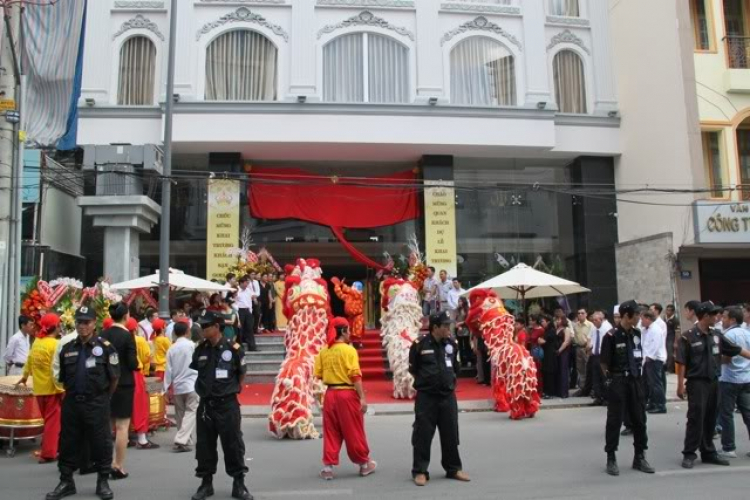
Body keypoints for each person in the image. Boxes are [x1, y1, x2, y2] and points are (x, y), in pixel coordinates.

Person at [46, 306, 118, 500]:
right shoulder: (68, 348)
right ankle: (66, 481)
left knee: (101, 442)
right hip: (72, 403)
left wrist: (102, 398)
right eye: (79, 322)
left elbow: (113, 379)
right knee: (68, 442)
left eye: (86, 322)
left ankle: (102, 481)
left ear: (94, 323)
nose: (82, 326)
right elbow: (61, 378)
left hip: (96, 402)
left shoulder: (105, 347)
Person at [189, 310, 252, 500]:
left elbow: (241, 374)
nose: (202, 329)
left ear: (217, 327)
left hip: (227, 404)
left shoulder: (233, 349)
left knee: (233, 445)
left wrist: (231, 390)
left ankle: (239, 484)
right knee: (204, 447)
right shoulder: (200, 349)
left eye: (206, 326)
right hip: (206, 406)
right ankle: (206, 484)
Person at [409, 312, 470, 487]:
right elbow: (413, 368)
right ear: (435, 327)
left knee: (451, 433)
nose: (448, 328)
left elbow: (456, 367)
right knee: (423, 434)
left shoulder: (452, 344)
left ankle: (453, 468)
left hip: (447, 396)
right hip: (427, 397)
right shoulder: (420, 344)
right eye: (445, 325)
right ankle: (420, 471)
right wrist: (428, 381)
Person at [314, 317, 377, 480]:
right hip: (347, 394)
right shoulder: (349, 350)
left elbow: (318, 375)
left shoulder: (324, 351)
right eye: (348, 330)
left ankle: (328, 468)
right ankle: (363, 464)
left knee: (331, 431)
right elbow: (355, 376)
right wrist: (362, 398)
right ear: (342, 331)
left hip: (330, 394)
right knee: (354, 430)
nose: (350, 333)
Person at [600, 300, 655, 476]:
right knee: (615, 420)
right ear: (626, 315)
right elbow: (603, 363)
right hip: (618, 381)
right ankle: (611, 457)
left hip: (635, 380)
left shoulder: (637, 333)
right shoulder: (611, 336)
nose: (640, 317)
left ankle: (640, 456)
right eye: (637, 314)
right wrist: (609, 381)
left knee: (639, 420)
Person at [676, 302, 732, 469]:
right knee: (696, 418)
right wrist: (680, 385)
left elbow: (734, 349)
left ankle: (708, 452)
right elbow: (681, 362)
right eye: (714, 314)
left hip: (713, 381)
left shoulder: (716, 335)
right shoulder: (688, 336)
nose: (717, 317)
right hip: (697, 382)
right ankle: (689, 453)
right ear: (705, 316)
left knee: (710, 417)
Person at [16, 313, 64, 464]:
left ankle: (53, 448)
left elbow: (29, 361)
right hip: (53, 389)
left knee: (49, 421)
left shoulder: (37, 342)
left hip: (39, 389)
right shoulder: (56, 345)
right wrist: (63, 389)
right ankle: (49, 453)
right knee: (52, 422)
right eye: (59, 324)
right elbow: (58, 369)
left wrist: (24, 377)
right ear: (55, 327)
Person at [99, 302, 139, 480]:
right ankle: (118, 465)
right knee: (122, 427)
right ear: (126, 316)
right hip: (124, 384)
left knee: (106, 425)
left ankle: (104, 462)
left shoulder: (102, 335)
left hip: (105, 384)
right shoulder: (127, 336)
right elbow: (132, 363)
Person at [717, 306, 750, 459]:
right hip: (746, 378)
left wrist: (715, 360)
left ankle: (729, 447)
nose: (721, 320)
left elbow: (728, 358)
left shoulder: (728, 335)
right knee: (748, 414)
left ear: (732, 320)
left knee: (726, 414)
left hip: (730, 379)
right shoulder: (746, 333)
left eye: (724, 317)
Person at [165, 321, 199, 453]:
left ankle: (185, 439)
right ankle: (181, 439)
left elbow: (168, 370)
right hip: (191, 383)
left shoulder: (171, 348)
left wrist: (166, 388)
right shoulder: (192, 346)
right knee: (191, 411)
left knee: (180, 414)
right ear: (187, 332)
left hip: (178, 385)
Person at [127, 317, 159, 451]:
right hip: (137, 373)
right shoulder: (139, 340)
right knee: (140, 406)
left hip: (122, 375)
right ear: (135, 329)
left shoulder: (113, 338)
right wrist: (148, 371)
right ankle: (142, 438)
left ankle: (125, 436)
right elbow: (147, 356)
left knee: (124, 408)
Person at [640, 311, 667, 414]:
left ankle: (660, 405)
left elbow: (655, 346)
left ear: (648, 318)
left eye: (642, 319)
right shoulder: (645, 330)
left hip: (654, 359)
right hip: (647, 359)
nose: (641, 321)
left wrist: (649, 357)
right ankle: (652, 403)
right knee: (649, 384)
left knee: (656, 383)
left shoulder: (655, 329)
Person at [586, 310, 611, 406]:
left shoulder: (607, 328)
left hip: (603, 355)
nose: (594, 322)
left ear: (602, 320)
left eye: (596, 320)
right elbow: (591, 338)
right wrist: (590, 347)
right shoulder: (593, 327)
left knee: (604, 377)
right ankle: (598, 397)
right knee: (595, 377)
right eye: (593, 320)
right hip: (595, 355)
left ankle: (607, 397)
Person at [572, 308, 594, 395]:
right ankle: (583, 388)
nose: (580, 315)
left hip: (587, 348)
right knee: (580, 369)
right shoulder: (576, 325)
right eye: (578, 313)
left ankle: (590, 388)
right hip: (578, 348)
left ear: (586, 314)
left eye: (582, 313)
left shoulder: (590, 325)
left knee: (588, 368)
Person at [540, 315, 559, 399]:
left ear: (548, 322)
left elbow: (546, 341)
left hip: (550, 354)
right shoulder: (546, 330)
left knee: (550, 373)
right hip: (546, 354)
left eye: (543, 321)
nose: (542, 323)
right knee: (545, 373)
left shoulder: (552, 330)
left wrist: (542, 341)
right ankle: (546, 391)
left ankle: (550, 392)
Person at [235, 276, 256, 351]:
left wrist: (251, 310)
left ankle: (252, 347)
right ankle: (239, 348)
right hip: (240, 310)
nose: (246, 285)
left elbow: (253, 297)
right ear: (240, 283)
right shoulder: (236, 290)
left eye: (247, 283)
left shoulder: (248, 290)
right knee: (240, 329)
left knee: (250, 329)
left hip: (248, 311)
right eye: (245, 283)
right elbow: (235, 301)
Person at [556, 316, 573, 398]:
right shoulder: (557, 329)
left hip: (564, 352)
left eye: (559, 319)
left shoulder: (567, 329)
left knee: (563, 371)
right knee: (559, 371)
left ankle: (564, 392)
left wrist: (559, 350)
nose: (557, 321)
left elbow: (566, 342)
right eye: (556, 319)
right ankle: (559, 391)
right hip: (557, 352)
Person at [454, 297, 473, 367]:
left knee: (467, 345)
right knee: (460, 346)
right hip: (458, 330)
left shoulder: (467, 309)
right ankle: (462, 361)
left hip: (466, 330)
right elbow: (455, 319)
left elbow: (468, 320)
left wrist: (461, 323)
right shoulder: (457, 310)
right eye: (458, 301)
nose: (459, 303)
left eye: (460, 301)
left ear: (464, 302)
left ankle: (469, 360)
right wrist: (457, 325)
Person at [664, 304, 680, 373]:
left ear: (673, 312)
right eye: (667, 310)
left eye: (669, 310)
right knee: (665, 353)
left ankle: (670, 369)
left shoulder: (675, 320)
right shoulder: (664, 318)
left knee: (670, 354)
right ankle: (666, 367)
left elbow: (677, 332)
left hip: (671, 338)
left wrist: (676, 342)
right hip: (665, 338)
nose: (667, 312)